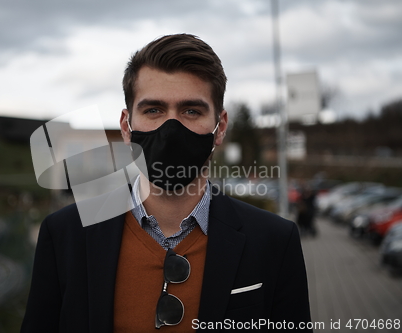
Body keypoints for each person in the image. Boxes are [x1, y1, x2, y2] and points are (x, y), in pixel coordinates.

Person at [21, 34, 312, 332]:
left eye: (191, 111)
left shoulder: (274, 241)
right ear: (126, 127)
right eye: (153, 110)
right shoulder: (65, 235)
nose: (171, 129)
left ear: (220, 128)